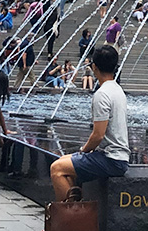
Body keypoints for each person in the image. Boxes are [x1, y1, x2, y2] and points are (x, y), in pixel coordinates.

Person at [50, 45, 129, 201]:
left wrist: (83, 150)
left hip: (111, 159)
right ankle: (76, 213)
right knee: (63, 162)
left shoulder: (102, 94)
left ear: (94, 67)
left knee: (56, 168)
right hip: (117, 156)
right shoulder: (117, 89)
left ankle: (69, 219)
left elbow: (98, 135)